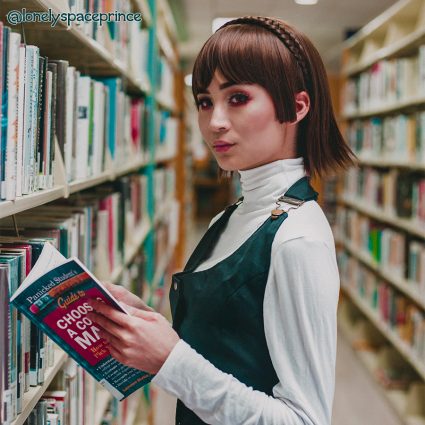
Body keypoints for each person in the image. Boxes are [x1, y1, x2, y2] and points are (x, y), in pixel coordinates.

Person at [87, 16, 356, 425]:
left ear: (298, 106)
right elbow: (228, 344)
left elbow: (304, 420)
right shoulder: (231, 215)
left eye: (238, 98)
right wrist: (143, 325)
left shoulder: (297, 239)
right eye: (205, 101)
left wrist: (170, 360)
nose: (214, 122)